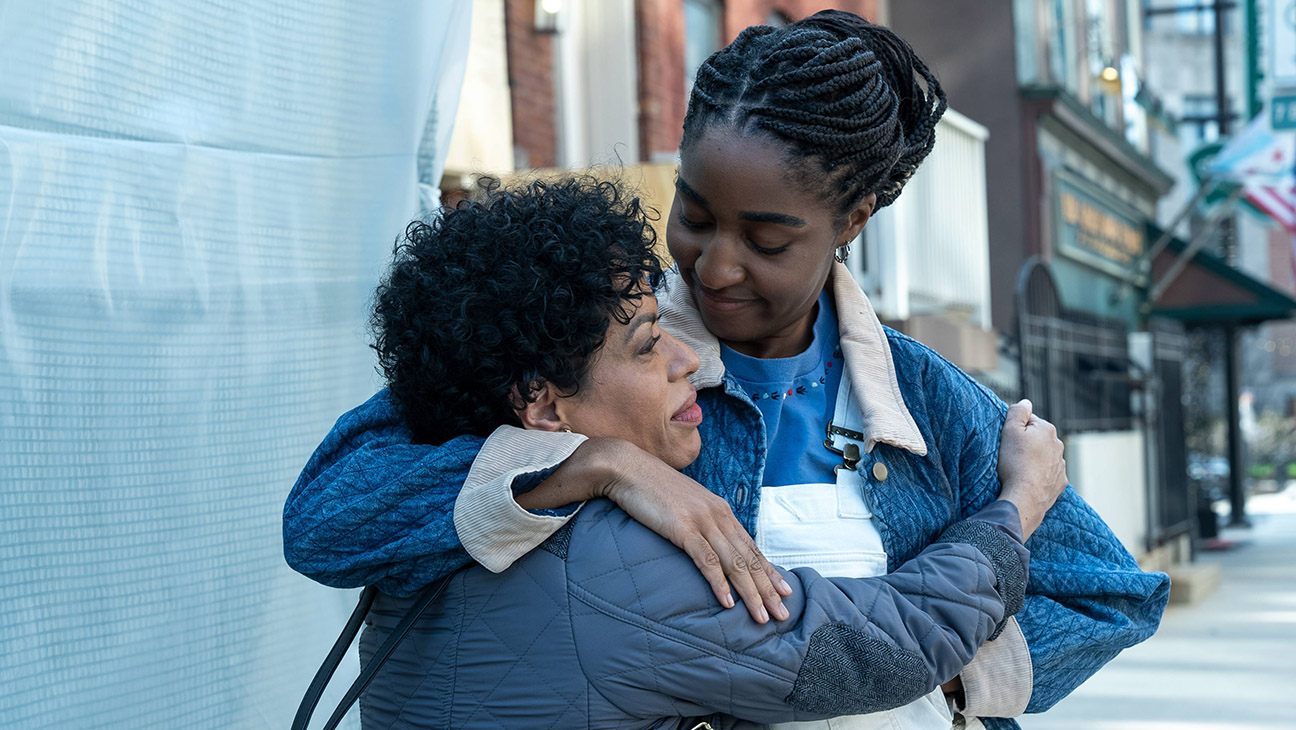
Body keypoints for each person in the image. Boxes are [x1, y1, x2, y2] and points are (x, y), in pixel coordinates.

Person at [284, 11, 1170, 730]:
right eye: (696, 216)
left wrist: (943, 683)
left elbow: (1110, 597)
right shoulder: (571, 350)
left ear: (851, 220)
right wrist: (599, 463)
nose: (713, 266)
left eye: (766, 237)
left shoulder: (933, 405)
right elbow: (331, 518)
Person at [344, 176, 1062, 728]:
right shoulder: (612, 569)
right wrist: (1016, 507)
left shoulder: (429, 513)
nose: (689, 358)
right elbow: (887, 641)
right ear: (541, 401)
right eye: (649, 343)